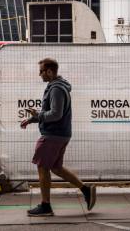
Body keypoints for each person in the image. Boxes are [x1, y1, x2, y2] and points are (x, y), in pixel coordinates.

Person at [20, 57, 96, 216]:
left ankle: (45, 206)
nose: (39, 74)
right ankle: (86, 189)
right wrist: (33, 119)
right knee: (56, 167)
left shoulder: (56, 89)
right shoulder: (57, 87)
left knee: (42, 167)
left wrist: (39, 115)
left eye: (41, 71)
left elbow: (56, 114)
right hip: (61, 134)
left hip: (53, 135)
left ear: (49, 71)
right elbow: (52, 113)